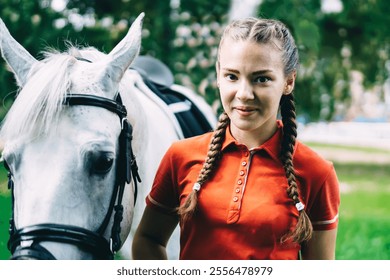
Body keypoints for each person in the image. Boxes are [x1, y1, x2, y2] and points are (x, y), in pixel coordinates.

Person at [132, 17, 340, 260]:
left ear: (288, 81)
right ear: (218, 75)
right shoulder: (180, 156)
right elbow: (149, 239)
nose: (244, 94)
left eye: (261, 79)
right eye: (232, 76)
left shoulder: (316, 172)